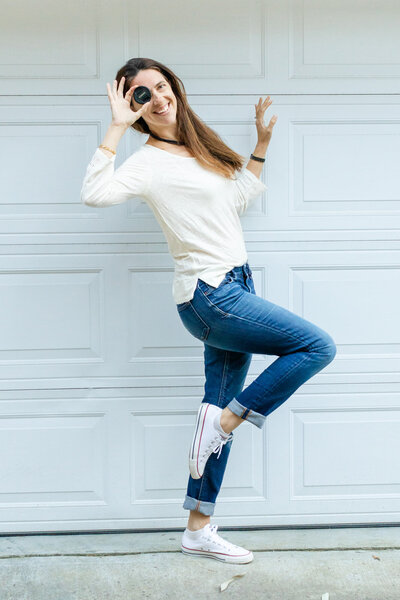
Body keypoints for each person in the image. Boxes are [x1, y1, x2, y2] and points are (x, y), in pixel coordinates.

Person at [80, 57, 337, 565]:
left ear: (174, 85)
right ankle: (228, 420)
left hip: (235, 281)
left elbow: (236, 199)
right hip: (211, 296)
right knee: (315, 346)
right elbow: (94, 194)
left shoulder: (198, 146)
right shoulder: (148, 160)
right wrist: (115, 129)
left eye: (161, 85)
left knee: (210, 416)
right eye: (141, 95)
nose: (157, 97)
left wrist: (260, 145)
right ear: (132, 106)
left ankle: (198, 527)